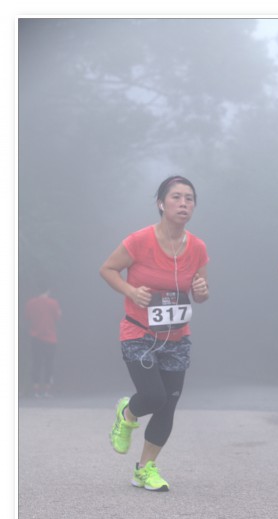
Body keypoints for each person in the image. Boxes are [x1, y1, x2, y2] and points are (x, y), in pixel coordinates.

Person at [100, 175, 209, 491]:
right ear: (161, 204)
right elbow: (107, 269)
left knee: (168, 404)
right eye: (176, 197)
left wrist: (202, 291)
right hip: (139, 333)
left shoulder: (198, 248)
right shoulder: (139, 241)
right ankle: (127, 412)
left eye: (189, 198)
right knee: (153, 396)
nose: (183, 203)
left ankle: (145, 469)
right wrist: (131, 291)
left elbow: (200, 292)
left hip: (177, 338)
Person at [24, 286, 62, 397]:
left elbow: (28, 317)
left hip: (35, 337)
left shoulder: (30, 303)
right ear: (48, 291)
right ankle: (46, 390)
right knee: (48, 363)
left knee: (36, 362)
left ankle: (35, 390)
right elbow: (57, 317)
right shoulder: (53, 303)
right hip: (50, 338)